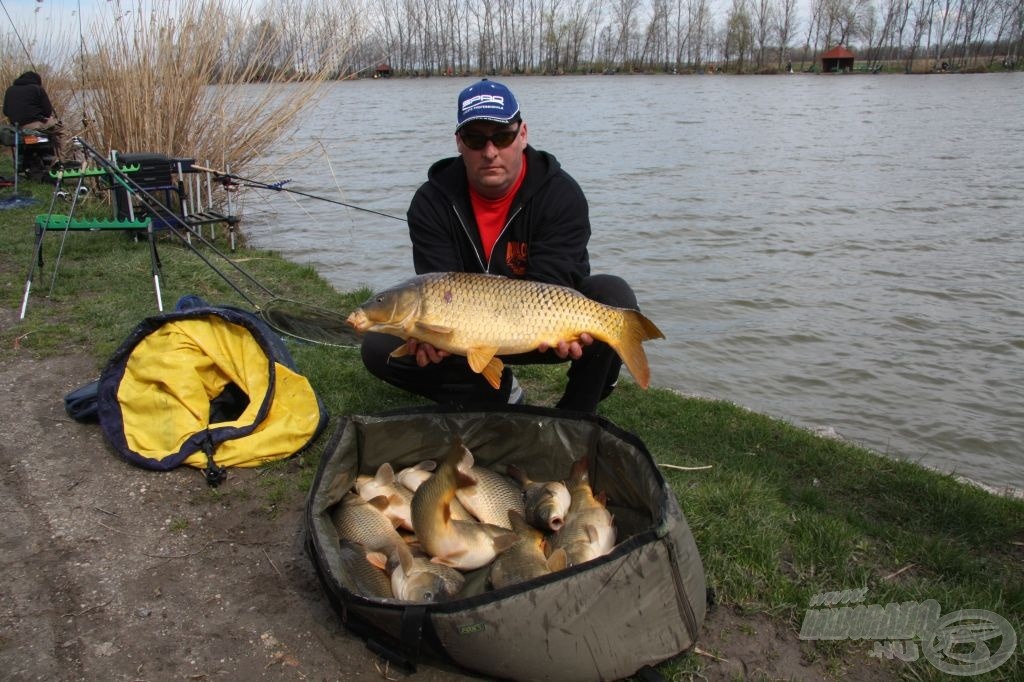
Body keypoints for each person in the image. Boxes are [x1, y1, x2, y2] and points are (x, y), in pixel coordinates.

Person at [359, 79, 645, 413]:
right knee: (380, 347)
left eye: (503, 137)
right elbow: (435, 286)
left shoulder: (561, 194)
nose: (490, 151)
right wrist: (429, 340)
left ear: (523, 134)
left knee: (614, 296)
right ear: (459, 143)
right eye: (475, 139)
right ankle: (497, 397)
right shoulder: (431, 202)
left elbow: (553, 285)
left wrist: (564, 331)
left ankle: (574, 416)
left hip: (540, 326)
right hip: (464, 333)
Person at [3, 70, 64, 161]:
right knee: (59, 128)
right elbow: (47, 112)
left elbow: (6, 111)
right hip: (33, 125)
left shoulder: (10, 89)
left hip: (15, 127)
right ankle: (60, 159)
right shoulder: (37, 89)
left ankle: (25, 159)